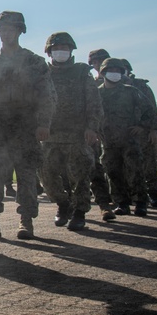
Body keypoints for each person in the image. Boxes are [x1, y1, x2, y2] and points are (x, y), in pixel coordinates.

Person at [0, 11, 56, 240]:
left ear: (20, 31)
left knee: (26, 175)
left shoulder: (34, 62)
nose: (6, 33)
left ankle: (25, 222)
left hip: (26, 125)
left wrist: (43, 123)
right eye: (2, 29)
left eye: (10, 28)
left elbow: (47, 95)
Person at [39, 32, 103, 231]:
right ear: (49, 52)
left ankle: (79, 212)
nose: (61, 52)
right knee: (46, 174)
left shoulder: (82, 72)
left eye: (64, 49)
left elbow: (94, 101)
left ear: (71, 51)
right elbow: (37, 101)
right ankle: (63, 204)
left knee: (81, 174)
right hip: (50, 134)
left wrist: (92, 127)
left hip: (77, 134)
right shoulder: (43, 73)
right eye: (56, 49)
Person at [97, 58, 157, 216]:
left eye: (118, 71)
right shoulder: (98, 93)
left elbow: (149, 110)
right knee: (113, 172)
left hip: (129, 139)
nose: (115, 74)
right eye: (111, 70)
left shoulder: (131, 91)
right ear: (103, 73)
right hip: (108, 141)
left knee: (135, 171)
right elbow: (91, 113)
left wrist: (143, 126)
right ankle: (121, 203)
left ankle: (141, 203)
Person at [121, 59, 157, 208]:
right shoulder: (113, 87)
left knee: (148, 163)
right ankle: (134, 195)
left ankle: (153, 194)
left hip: (143, 131)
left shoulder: (140, 85)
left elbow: (151, 108)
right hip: (123, 133)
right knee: (127, 165)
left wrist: (152, 129)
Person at [87, 48, 116, 220]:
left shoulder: (125, 83)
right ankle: (104, 204)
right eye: (96, 61)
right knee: (95, 168)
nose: (99, 64)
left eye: (102, 60)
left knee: (115, 167)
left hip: (117, 132)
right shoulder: (91, 82)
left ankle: (118, 199)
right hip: (95, 131)